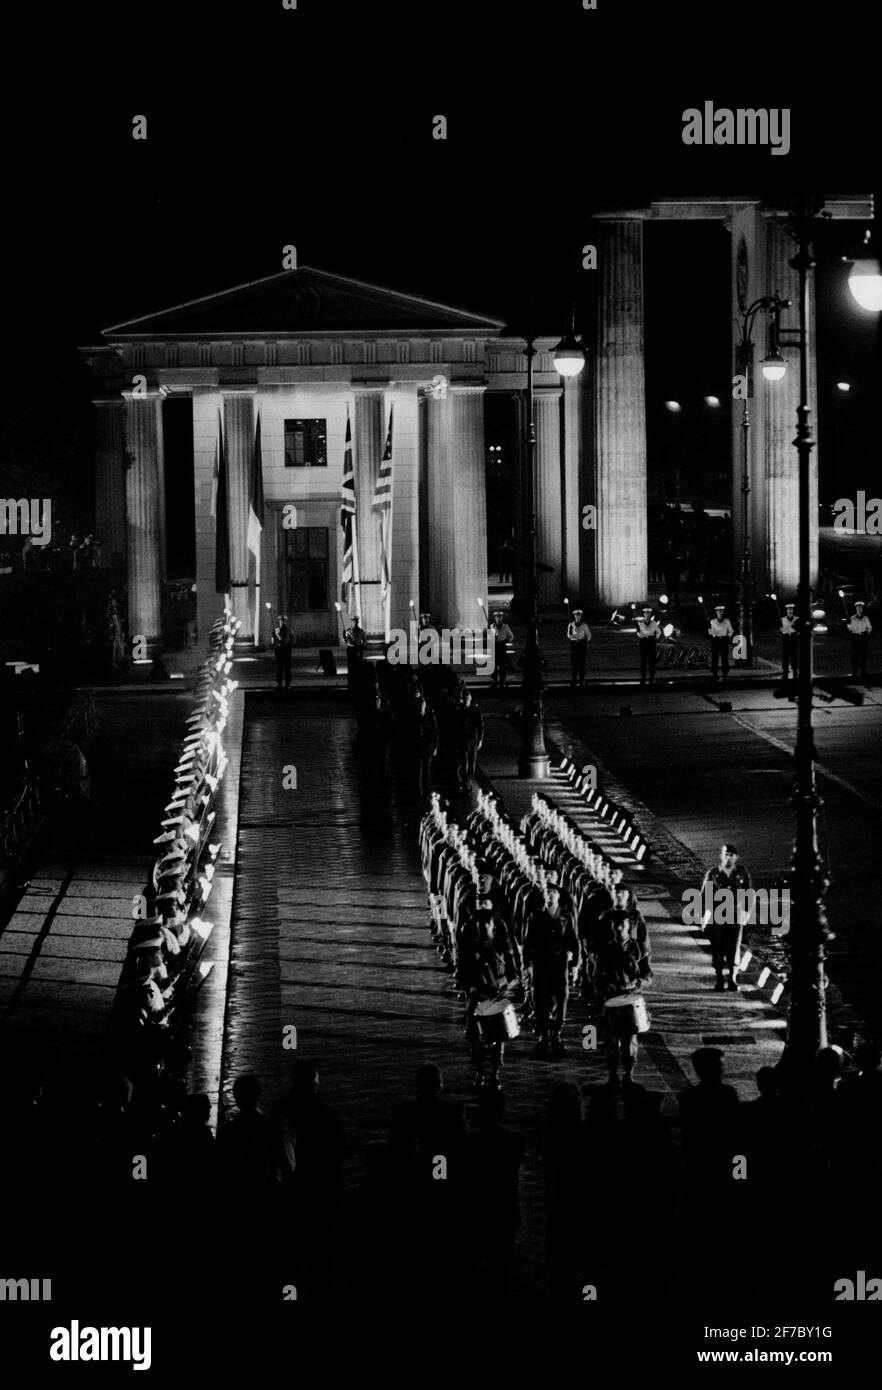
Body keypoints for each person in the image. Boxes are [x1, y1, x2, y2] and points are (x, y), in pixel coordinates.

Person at [458, 910, 520, 1089]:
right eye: (480, 924)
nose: (484, 927)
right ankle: (479, 1070)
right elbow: (462, 976)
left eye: (487, 924)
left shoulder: (503, 946)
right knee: (474, 1037)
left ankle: (495, 1072)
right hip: (478, 1000)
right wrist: (470, 987)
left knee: (499, 1037)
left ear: (493, 926)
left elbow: (514, 975)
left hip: (497, 999)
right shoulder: (469, 948)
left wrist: (506, 986)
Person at [522, 881, 580, 1056]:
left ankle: (556, 1034)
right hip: (541, 963)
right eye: (547, 893)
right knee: (541, 999)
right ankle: (544, 1036)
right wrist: (526, 965)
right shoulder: (536, 916)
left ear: (559, 896)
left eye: (553, 893)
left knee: (561, 998)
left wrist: (575, 963)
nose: (550, 896)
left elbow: (573, 940)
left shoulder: (566, 916)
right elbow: (528, 942)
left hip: (560, 964)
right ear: (544, 896)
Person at [596, 911, 650, 1087]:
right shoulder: (605, 948)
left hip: (630, 997)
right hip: (611, 998)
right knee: (610, 1040)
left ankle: (628, 1073)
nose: (619, 929)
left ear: (629, 927)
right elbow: (597, 975)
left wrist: (642, 982)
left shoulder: (637, 949)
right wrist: (604, 986)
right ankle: (612, 1074)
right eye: (616, 925)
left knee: (629, 1041)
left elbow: (647, 972)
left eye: (623, 925)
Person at [700, 843, 752, 991]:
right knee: (717, 947)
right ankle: (719, 978)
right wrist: (705, 918)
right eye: (725, 855)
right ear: (721, 856)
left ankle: (733, 978)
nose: (728, 858)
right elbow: (705, 897)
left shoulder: (742, 873)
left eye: (731, 855)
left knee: (734, 947)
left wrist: (746, 913)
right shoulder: (713, 874)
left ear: (736, 857)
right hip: (718, 915)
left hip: (736, 915)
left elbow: (748, 893)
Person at [452, 687, 483, 792]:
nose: (466, 700)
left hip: (473, 740)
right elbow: (455, 726)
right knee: (464, 763)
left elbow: (480, 726)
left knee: (472, 763)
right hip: (462, 740)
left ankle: (469, 779)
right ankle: (466, 783)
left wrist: (480, 740)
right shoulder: (459, 709)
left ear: (470, 698)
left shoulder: (475, 709)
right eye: (464, 698)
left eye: (468, 698)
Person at [566, 608, 593, 688]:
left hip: (581, 644)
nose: (578, 617)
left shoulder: (584, 625)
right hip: (574, 644)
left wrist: (586, 640)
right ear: (574, 616)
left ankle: (582, 678)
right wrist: (572, 634)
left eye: (579, 615)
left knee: (581, 662)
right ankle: (574, 678)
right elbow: (569, 635)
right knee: (574, 662)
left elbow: (589, 635)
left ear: (581, 616)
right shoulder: (571, 625)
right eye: (576, 615)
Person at [636, 605, 661, 687]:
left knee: (651, 661)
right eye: (645, 613)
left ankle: (651, 677)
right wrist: (640, 635)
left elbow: (659, 632)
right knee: (643, 660)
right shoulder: (640, 623)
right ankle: (643, 677)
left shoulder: (653, 623)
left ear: (650, 614)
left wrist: (655, 637)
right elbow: (638, 632)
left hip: (651, 641)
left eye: (648, 613)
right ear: (643, 614)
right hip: (644, 642)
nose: (647, 614)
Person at [847, 599, 871, 681]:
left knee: (863, 654)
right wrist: (848, 624)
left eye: (861, 608)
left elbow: (870, 628)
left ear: (862, 609)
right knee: (855, 655)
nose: (859, 609)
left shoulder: (865, 618)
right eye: (858, 608)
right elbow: (850, 629)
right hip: (855, 637)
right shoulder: (852, 618)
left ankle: (863, 672)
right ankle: (854, 672)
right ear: (856, 609)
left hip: (863, 637)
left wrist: (865, 634)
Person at [708, 604, 734, 683]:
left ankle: (725, 673)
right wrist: (712, 633)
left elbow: (731, 631)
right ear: (716, 613)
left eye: (722, 611)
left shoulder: (727, 621)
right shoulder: (713, 621)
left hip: (723, 640)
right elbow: (710, 631)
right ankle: (714, 673)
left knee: (724, 657)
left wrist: (728, 636)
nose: (720, 613)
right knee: (715, 657)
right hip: (716, 640)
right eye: (719, 612)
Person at [490, 611, 514, 688]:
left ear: (502, 618)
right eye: (497, 617)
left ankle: (502, 681)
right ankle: (495, 680)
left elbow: (511, 636)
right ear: (495, 618)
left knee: (503, 665)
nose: (499, 618)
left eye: (500, 617)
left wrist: (506, 641)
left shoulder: (506, 627)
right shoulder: (492, 627)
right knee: (494, 665)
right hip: (495, 647)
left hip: (502, 647)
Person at [344, 616, 367, 691]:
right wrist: (344, 635)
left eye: (356, 621)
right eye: (354, 621)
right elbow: (345, 641)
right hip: (351, 650)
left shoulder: (361, 631)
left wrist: (361, 647)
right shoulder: (348, 631)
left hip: (358, 650)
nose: (355, 622)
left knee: (358, 666)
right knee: (351, 666)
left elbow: (365, 640)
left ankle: (359, 682)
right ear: (352, 622)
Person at [271, 614, 294, 690]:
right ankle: (279, 683)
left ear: (285, 621)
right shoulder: (276, 630)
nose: (282, 622)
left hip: (286, 649)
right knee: (279, 667)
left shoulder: (289, 630)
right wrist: (275, 641)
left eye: (283, 620)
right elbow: (273, 641)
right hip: (279, 650)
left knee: (287, 667)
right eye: (281, 620)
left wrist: (289, 645)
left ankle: (288, 683)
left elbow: (293, 639)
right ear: (279, 621)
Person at [780, 601, 799, 684]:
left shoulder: (797, 619)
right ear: (786, 610)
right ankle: (785, 670)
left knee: (794, 654)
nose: (790, 611)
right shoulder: (783, 619)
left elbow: (799, 628)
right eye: (789, 609)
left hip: (794, 638)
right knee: (785, 655)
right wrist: (782, 630)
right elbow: (779, 627)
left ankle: (795, 670)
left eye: (791, 609)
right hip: (786, 638)